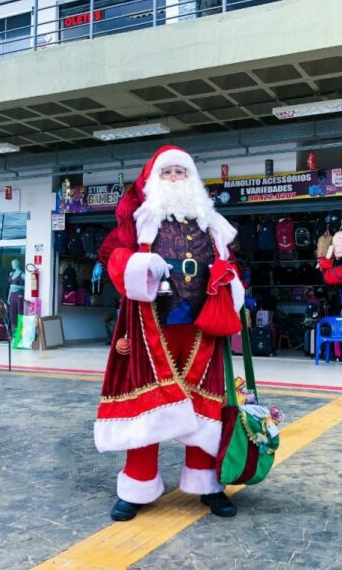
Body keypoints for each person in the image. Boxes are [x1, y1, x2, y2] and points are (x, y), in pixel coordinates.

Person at [96, 145, 244, 522]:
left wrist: (229, 281)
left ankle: (208, 483)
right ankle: (138, 484)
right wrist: (141, 264)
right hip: (152, 327)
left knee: (206, 404)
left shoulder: (213, 225)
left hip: (202, 326)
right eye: (168, 173)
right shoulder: (139, 221)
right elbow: (112, 258)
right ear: (154, 180)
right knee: (148, 402)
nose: (175, 179)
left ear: (192, 179)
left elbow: (231, 265)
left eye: (181, 173)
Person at [8, 259, 25, 332]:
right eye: (12, 264)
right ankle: (14, 334)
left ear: (17, 264)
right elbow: (10, 287)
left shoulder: (22, 274)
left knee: (20, 313)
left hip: (19, 295)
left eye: (13, 264)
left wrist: (18, 287)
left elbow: (28, 287)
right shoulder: (11, 274)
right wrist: (9, 297)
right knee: (12, 315)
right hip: (12, 295)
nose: (12, 265)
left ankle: (20, 334)